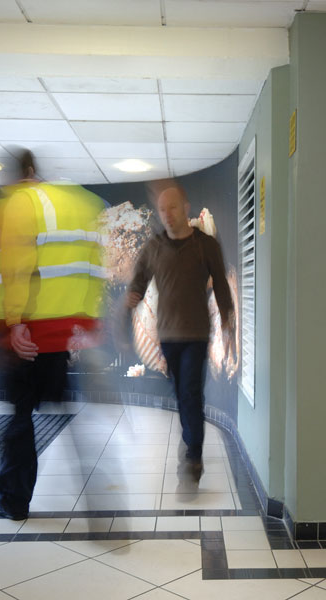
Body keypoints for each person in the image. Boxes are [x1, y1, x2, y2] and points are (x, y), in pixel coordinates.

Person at [0, 149, 107, 520]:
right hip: (61, 336)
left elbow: (18, 266)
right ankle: (97, 486)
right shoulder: (83, 202)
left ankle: (12, 500)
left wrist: (14, 321)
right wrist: (89, 323)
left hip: (24, 339)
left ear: (24, 174)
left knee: (16, 421)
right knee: (66, 413)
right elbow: (95, 267)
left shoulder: (23, 203)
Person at [127, 184, 235, 481]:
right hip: (168, 337)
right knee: (181, 394)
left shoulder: (206, 245)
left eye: (172, 207)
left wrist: (227, 319)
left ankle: (194, 457)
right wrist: (131, 301)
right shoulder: (154, 247)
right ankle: (190, 439)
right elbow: (138, 281)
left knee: (190, 394)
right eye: (162, 209)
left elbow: (222, 284)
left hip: (197, 334)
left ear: (185, 208)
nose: (167, 214)